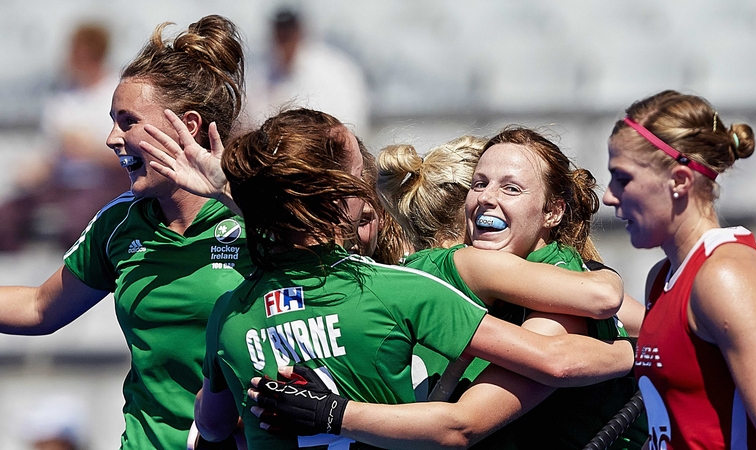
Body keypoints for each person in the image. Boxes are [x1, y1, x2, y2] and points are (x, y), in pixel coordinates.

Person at [141, 107, 636, 449]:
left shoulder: (229, 314)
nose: (487, 199)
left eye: (510, 188)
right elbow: (476, 415)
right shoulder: (408, 285)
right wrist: (648, 348)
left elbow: (210, 426)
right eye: (480, 184)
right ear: (338, 198)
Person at [0, 15, 253, 450]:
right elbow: (41, 308)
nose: (111, 138)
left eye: (128, 121)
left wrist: (232, 193)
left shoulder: (259, 216)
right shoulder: (119, 221)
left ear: (187, 126)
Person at [603, 90, 756, 448]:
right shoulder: (661, 277)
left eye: (623, 178)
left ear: (679, 181)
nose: (609, 195)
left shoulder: (725, 275)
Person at [0, 22, 129, 251]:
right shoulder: (62, 95)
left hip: (100, 182)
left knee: (76, 225)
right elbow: (52, 151)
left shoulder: (117, 94)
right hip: (59, 181)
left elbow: (130, 156)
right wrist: (34, 169)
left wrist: (89, 151)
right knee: (6, 217)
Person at [244, 7, 370, 133]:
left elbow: (351, 121)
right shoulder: (259, 75)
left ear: (300, 32)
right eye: (280, 33)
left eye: (288, 33)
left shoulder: (336, 72)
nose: (284, 40)